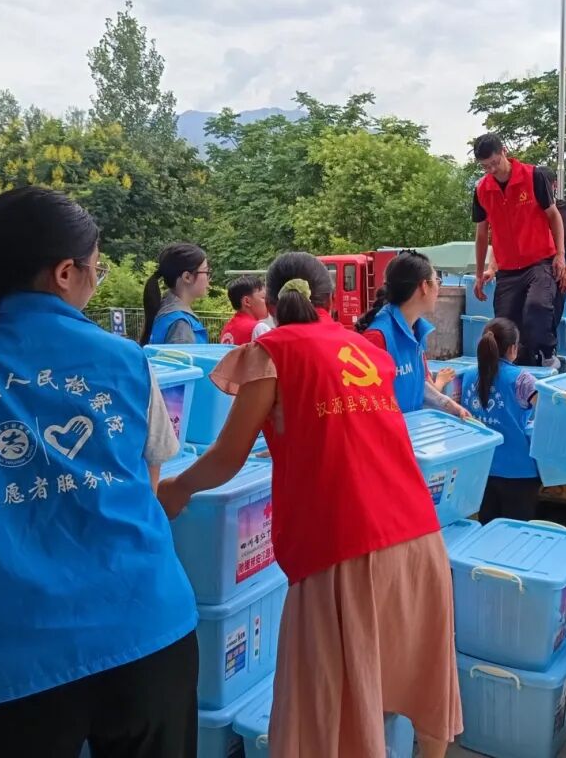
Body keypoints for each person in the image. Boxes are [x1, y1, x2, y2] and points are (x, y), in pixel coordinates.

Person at [0, 187, 198, 756]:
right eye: (96, 268)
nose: (95, 280)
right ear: (64, 272)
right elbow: (147, 491)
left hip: (0, 656)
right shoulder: (127, 362)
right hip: (144, 630)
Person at [157, 252, 462, 758]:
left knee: (329, 717)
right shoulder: (364, 348)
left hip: (343, 551)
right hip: (419, 538)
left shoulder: (271, 352)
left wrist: (177, 489)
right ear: (329, 299)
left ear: (270, 304)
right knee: (419, 685)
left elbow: (227, 456)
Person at [471, 134, 564, 368]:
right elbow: (481, 235)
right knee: (504, 325)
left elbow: (554, 216)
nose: (492, 170)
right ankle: (517, 366)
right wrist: (479, 274)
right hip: (508, 269)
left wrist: (560, 254)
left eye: (494, 162)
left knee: (537, 307)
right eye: (485, 166)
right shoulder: (482, 190)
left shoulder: (533, 176)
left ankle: (548, 353)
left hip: (539, 262)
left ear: (504, 151)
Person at [355, 250, 468, 417]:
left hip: (412, 428)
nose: (438, 287)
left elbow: (421, 386)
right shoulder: (377, 338)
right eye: (437, 281)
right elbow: (365, 405)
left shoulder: (416, 331)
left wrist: (450, 406)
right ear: (424, 286)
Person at [461, 318, 540, 523]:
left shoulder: (468, 376)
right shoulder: (522, 379)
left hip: (481, 470)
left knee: (488, 530)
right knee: (515, 534)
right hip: (518, 472)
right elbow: (547, 411)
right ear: (513, 348)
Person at [536, 166, 566, 346]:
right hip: (533, 272)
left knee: (551, 320)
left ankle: (548, 354)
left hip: (558, 273)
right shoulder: (528, 209)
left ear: (554, 185)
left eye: (544, 186)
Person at [140, 243, 211, 345]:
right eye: (206, 272)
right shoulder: (180, 325)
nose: (209, 278)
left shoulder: (163, 310)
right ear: (187, 277)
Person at [220, 275, 268, 345]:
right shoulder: (259, 328)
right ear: (247, 301)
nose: (267, 302)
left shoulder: (227, 328)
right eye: (263, 298)